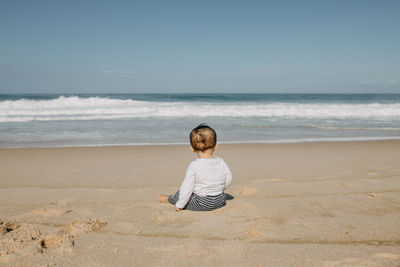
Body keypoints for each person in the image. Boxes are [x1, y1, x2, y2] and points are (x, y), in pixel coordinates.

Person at [158, 124, 232, 211]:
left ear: (192, 148)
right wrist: (220, 189)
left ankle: (168, 198)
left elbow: (187, 187)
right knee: (187, 193)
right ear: (216, 146)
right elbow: (228, 178)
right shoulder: (221, 162)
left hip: (201, 203)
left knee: (180, 193)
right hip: (220, 200)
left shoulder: (194, 166)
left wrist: (180, 205)